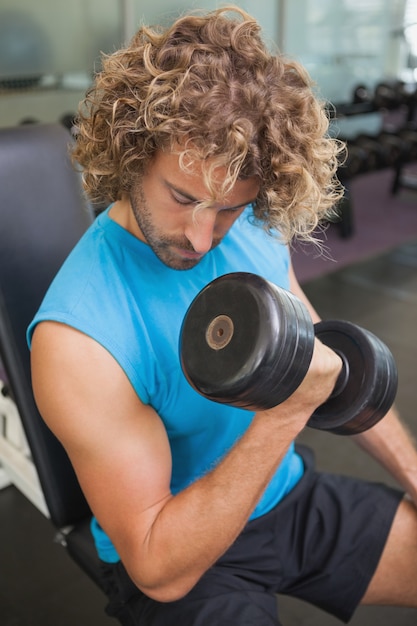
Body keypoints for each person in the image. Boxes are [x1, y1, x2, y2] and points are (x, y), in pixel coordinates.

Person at [28, 6, 417, 625]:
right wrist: (285, 412)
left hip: (283, 493)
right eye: (182, 197)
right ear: (132, 154)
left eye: (229, 209)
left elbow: (325, 360)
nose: (204, 237)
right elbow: (158, 568)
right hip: (181, 550)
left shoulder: (259, 231)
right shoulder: (78, 339)